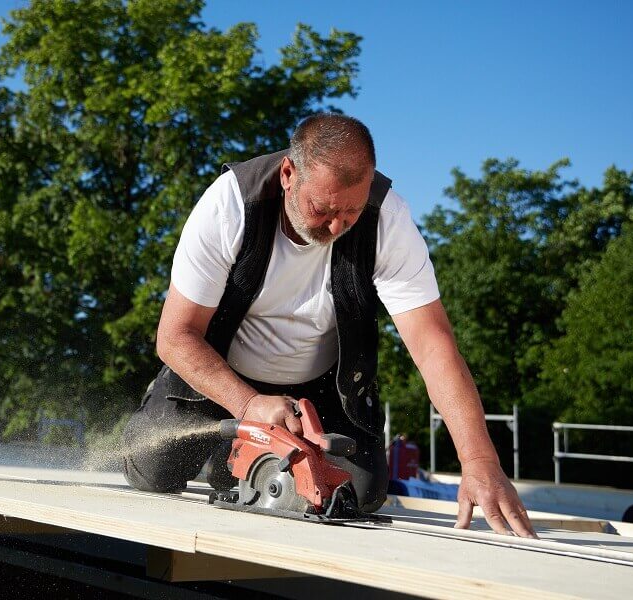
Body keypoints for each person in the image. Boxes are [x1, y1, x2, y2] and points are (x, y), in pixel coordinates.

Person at [122, 113, 536, 538]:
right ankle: (212, 432)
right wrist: (247, 404)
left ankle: (236, 463)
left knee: (358, 493)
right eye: (321, 208)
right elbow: (175, 336)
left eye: (351, 212)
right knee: (153, 469)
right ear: (288, 174)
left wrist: (479, 462)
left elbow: (434, 346)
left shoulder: (387, 220)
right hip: (222, 375)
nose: (337, 226)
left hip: (320, 387)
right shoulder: (230, 204)